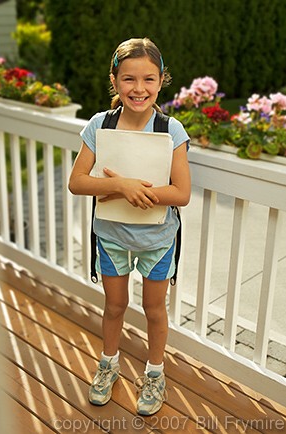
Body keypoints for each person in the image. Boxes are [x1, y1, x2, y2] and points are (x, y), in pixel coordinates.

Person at [68, 37, 191, 416]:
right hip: (111, 238)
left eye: (149, 79)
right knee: (114, 305)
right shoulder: (99, 125)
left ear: (161, 80)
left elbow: (181, 193)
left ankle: (155, 373)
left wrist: (137, 192)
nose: (139, 89)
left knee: (155, 309)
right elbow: (78, 182)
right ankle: (108, 365)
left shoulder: (171, 129)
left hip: (157, 240)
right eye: (129, 79)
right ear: (114, 81)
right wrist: (119, 186)